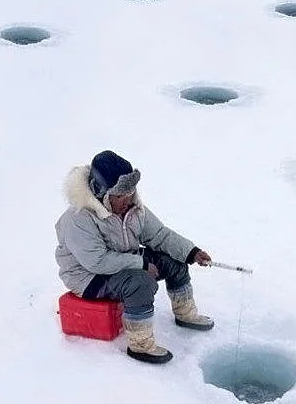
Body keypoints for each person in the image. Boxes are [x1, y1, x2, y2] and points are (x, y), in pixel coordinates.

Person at [54, 150, 214, 364]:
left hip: (123, 260)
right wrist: (140, 264)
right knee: (141, 282)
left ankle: (186, 313)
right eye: (121, 194)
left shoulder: (133, 208)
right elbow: (97, 261)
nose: (127, 199)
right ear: (100, 190)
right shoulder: (78, 218)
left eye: (130, 192)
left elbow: (159, 235)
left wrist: (191, 252)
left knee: (173, 260)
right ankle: (140, 345)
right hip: (88, 277)